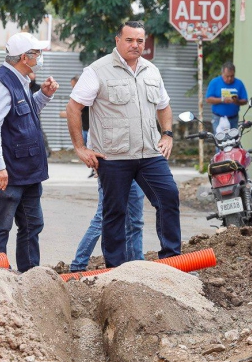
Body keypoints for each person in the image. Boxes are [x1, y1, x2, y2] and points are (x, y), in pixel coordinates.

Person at [65, 20, 181, 268]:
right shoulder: (97, 70)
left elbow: (164, 106)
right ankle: (115, 267)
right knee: (114, 212)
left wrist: (167, 134)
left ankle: (171, 259)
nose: (135, 45)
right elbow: (74, 107)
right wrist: (80, 147)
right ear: (118, 40)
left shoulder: (151, 70)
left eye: (140, 40)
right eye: (129, 40)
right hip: (113, 157)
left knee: (168, 197)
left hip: (149, 154)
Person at [0, 32, 59, 272]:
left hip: (27, 173)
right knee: (0, 228)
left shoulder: (20, 80)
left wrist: (43, 95)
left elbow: (25, 113)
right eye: (37, 53)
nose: (40, 58)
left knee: (33, 225)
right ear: (25, 57)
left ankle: (30, 275)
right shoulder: (1, 84)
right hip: (7, 174)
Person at [70, 178, 145, 271]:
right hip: (111, 171)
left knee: (136, 223)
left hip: (135, 175)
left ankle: (136, 264)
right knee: (100, 220)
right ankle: (78, 264)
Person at [205, 62, 248, 134]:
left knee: (233, 141)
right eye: (227, 76)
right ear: (222, 74)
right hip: (218, 118)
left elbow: (245, 100)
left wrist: (237, 101)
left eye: (232, 76)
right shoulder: (215, 82)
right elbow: (208, 99)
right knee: (220, 141)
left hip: (233, 118)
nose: (229, 79)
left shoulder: (239, 83)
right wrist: (222, 100)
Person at [28, 72, 52, 158]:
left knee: (39, 132)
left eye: (33, 73)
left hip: (35, 114)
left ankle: (46, 151)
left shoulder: (38, 87)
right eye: (30, 73)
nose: (32, 75)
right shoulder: (23, 86)